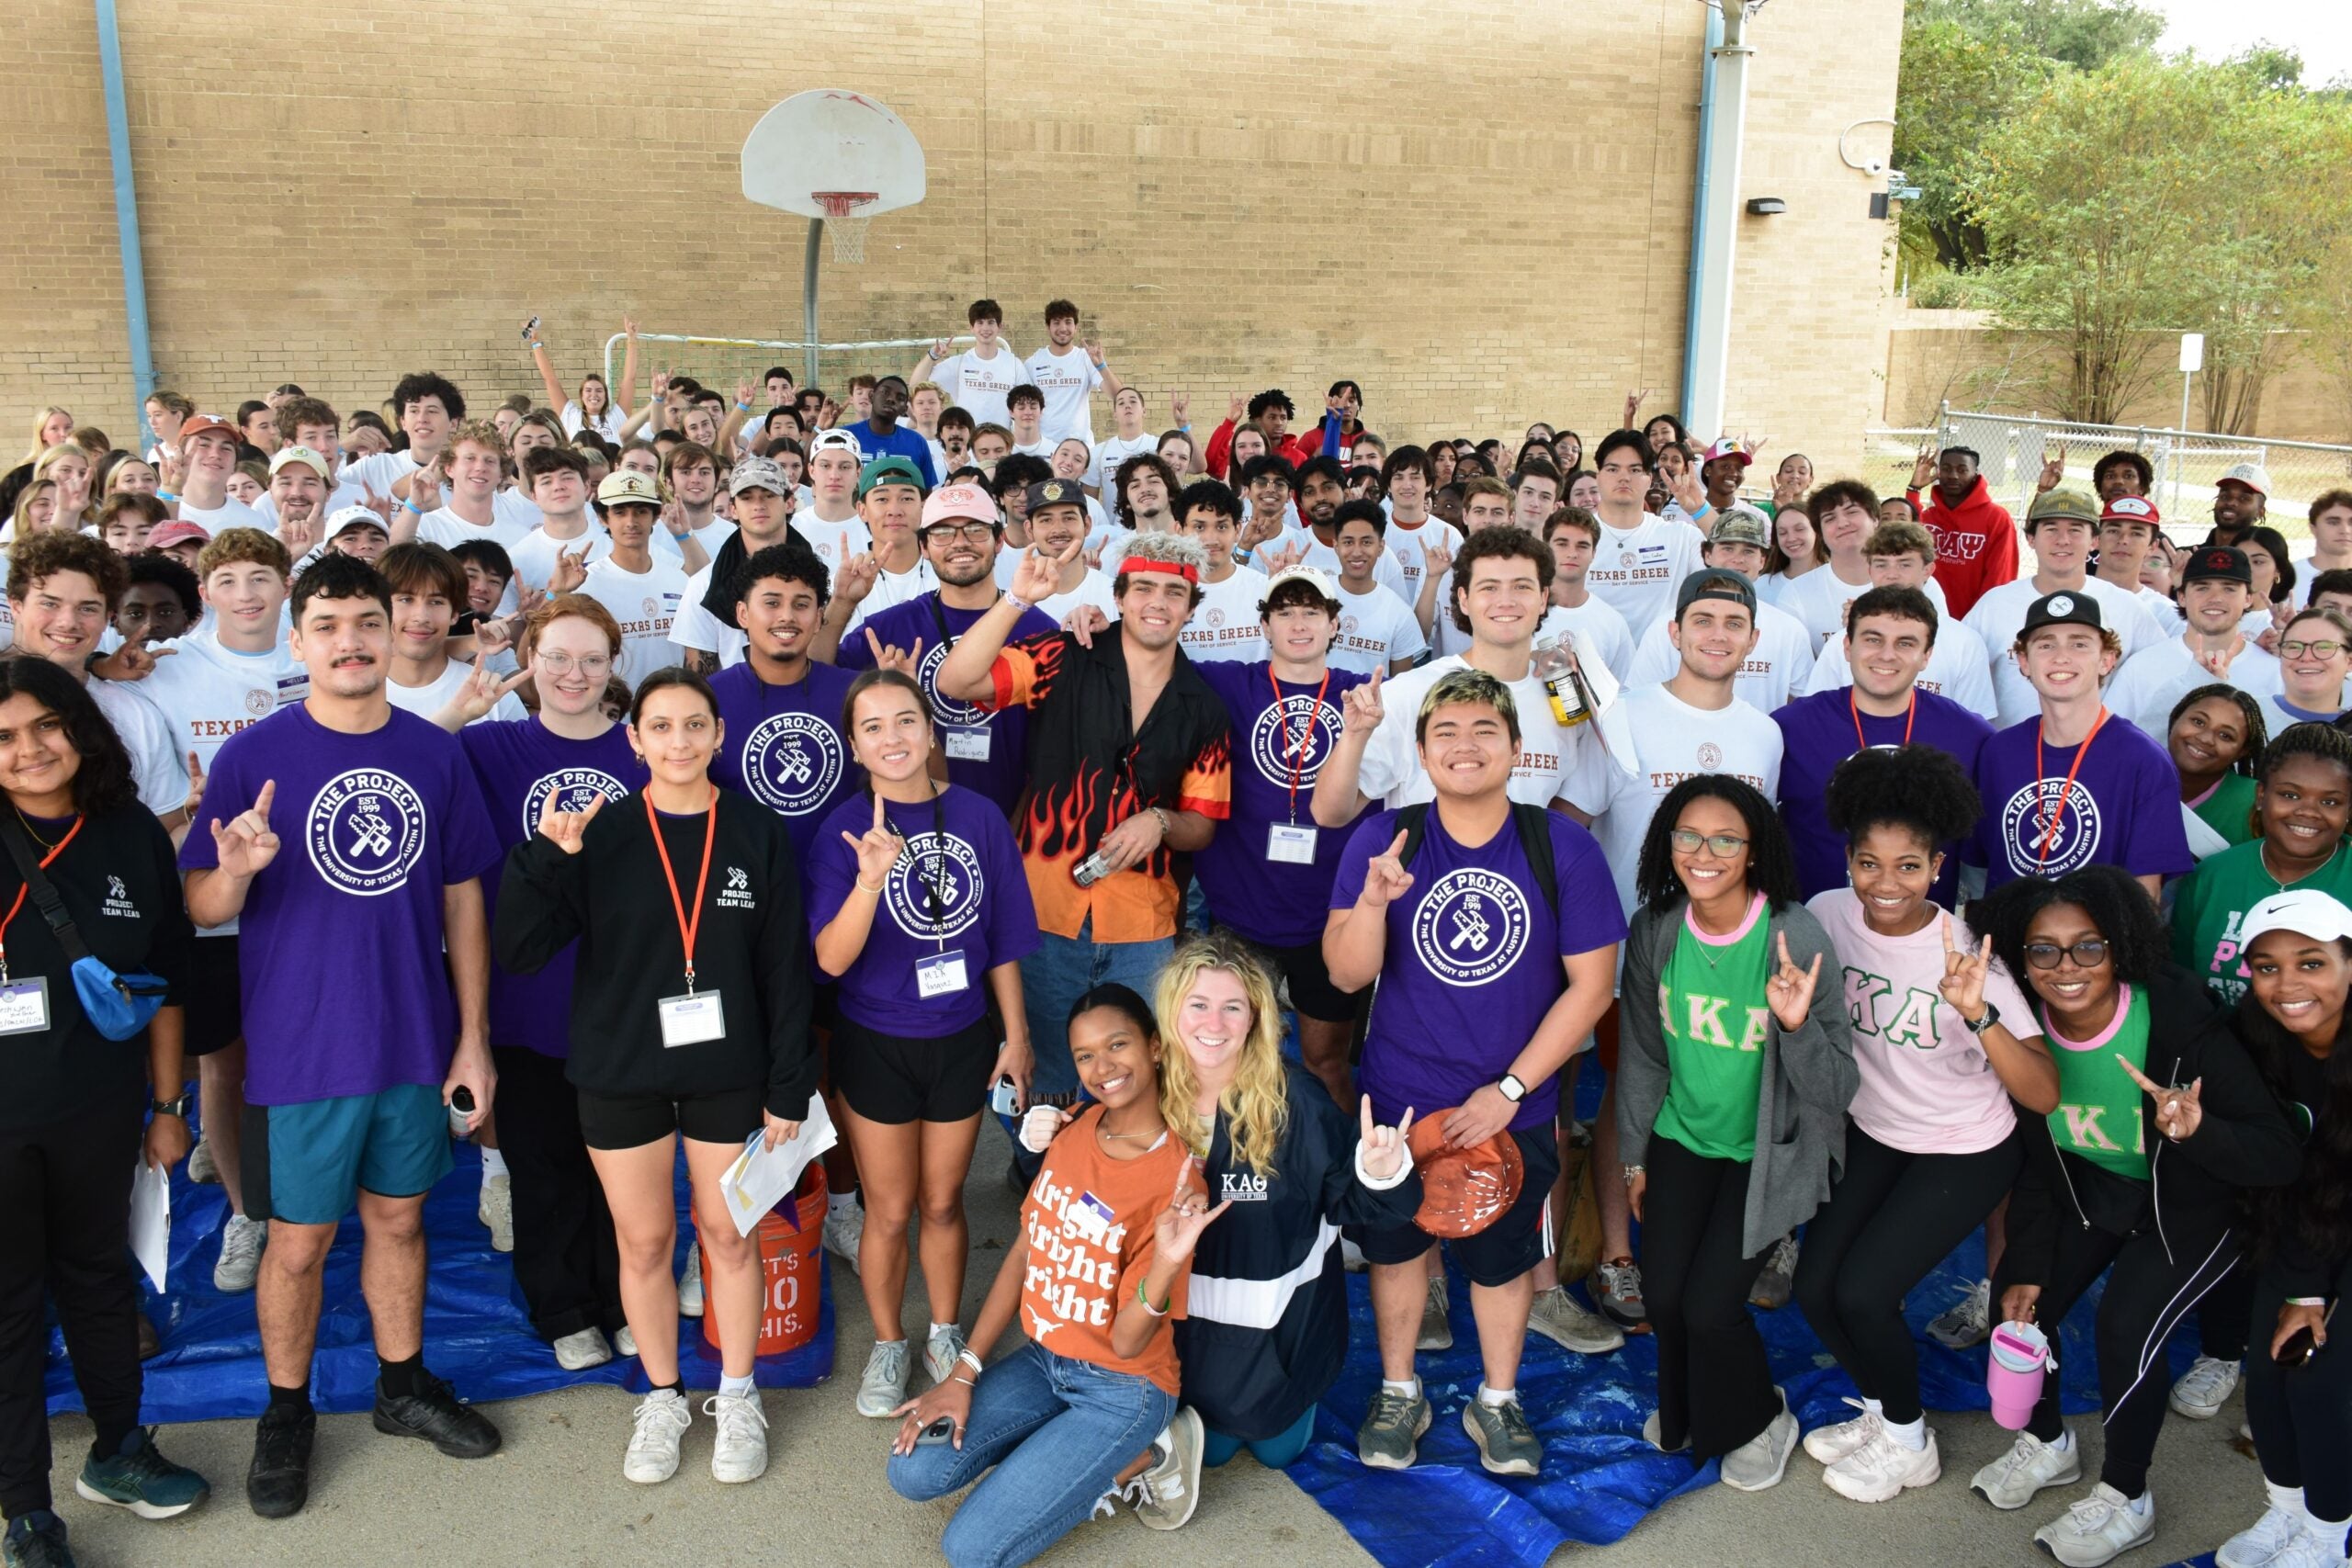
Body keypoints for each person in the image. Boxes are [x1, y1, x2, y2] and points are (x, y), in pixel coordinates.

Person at [180, 554, 503, 1518]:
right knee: (298, 1240)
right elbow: (200, 902)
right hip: (303, 1048)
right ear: (298, 639)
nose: (352, 640)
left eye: (367, 621)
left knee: (400, 1220)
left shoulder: (435, 753)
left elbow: (464, 903)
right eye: (328, 625)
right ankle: (286, 1412)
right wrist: (235, 870)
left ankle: (402, 1387)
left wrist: (472, 1038)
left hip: (412, 1037)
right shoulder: (253, 757)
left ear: (395, 632)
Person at [493, 666, 815, 1487]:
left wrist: (788, 1086)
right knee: (643, 1241)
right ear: (633, 739)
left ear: (718, 734)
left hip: (728, 1068)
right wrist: (546, 858)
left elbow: (783, 968)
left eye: (694, 725)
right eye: (660, 727)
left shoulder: (756, 827)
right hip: (621, 1065)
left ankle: (737, 1395)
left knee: (728, 1236)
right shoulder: (599, 833)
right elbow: (521, 950)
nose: (679, 742)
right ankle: (664, 1397)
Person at [1326, 668, 1625, 1476]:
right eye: (1446, 733)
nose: (1466, 746)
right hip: (1397, 1105)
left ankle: (1497, 1397)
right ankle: (1399, 1388)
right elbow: (1348, 975)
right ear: (1421, 752)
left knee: (1502, 1262)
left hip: (1512, 1106)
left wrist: (1512, 1091)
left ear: (1516, 748)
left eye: (1484, 731)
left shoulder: (1558, 844)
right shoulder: (1384, 840)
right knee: (1395, 1252)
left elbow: (1593, 987)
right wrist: (1375, 903)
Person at [1967, 865, 2298, 1566]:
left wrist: (2198, 1130)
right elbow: (2039, 1162)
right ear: (2020, 959)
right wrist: (2025, 1263)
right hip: (2103, 1194)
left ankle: (2127, 1496)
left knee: (2126, 1328)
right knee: (2018, 1304)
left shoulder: (2179, 1019)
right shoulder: (2025, 1030)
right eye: (2042, 949)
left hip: (2196, 1204)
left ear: (2120, 947)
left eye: (2088, 946)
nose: (2065, 966)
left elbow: (2277, 1154)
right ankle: (2051, 1443)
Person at [1032, 931, 1419, 1527]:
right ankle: (1180, 1419)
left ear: (1255, 1019)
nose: (1214, 1022)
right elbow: (1084, 1187)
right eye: (1198, 1005)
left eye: (1232, 1006)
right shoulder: (1137, 1097)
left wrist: (1381, 1169)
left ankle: (1263, 1411)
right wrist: (1056, 1132)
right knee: (1209, 1449)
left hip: (1278, 1347)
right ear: (1171, 1013)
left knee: (1275, 1446)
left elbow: (1364, 1209)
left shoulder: (1299, 1103)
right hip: (1179, 1347)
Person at [1792, 746, 2056, 1502]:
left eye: (1907, 866)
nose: (1885, 884)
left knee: (1867, 1291)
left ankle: (1910, 1441)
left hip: (1964, 1145)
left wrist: (1978, 1012)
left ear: (1938, 867)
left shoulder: (1969, 954)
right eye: (1869, 863)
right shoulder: (1825, 913)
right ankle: (1881, 1409)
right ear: (1847, 859)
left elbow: (2040, 1092)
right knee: (1816, 1288)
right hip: (1876, 1128)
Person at [885, 984, 1221, 1567]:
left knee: (970, 1550)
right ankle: (1065, 1456)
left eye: (1118, 1045)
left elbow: (1125, 1341)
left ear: (1156, 1047)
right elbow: (1024, 1253)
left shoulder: (1177, 1179)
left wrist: (1167, 1263)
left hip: (1123, 1390)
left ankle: (1146, 1454)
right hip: (1047, 1359)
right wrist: (963, 1373)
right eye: (1086, 1055)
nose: (1102, 1067)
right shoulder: (1076, 1128)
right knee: (911, 1472)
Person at [0, 658, 209, 1565]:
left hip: (98, 1108)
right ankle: (23, 1511)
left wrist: (167, 1106)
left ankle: (119, 1450)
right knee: (8, 1310)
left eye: (46, 725)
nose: (29, 750)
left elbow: (165, 986)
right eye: (4, 737)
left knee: (97, 1281)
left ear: (81, 726)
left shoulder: (128, 835)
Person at [936, 531, 1232, 1109]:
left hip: (1143, 926)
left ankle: (1106, 1182)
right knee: (1040, 1071)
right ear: (1120, 596)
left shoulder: (1204, 706)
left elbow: (1203, 824)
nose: (1157, 602)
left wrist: (1161, 822)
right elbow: (956, 681)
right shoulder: (1064, 653)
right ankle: (1038, 1180)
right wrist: (1017, 600)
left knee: (1133, 1077)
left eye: (1175, 592)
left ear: (1192, 609)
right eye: (1143, 587)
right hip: (1044, 908)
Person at [810, 669, 1039, 1417]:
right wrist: (870, 880)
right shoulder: (844, 829)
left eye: (906, 721)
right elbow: (831, 959)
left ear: (930, 730)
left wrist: (1017, 1035)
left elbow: (1003, 938)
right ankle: (888, 1340)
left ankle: (944, 1328)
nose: (893, 738)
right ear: (854, 745)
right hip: (877, 1040)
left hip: (961, 1037)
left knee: (943, 1201)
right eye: (873, 726)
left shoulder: (977, 816)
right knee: (890, 1207)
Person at [1617, 774, 1856, 1488]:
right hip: (1682, 1138)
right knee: (1662, 1298)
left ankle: (1762, 1416)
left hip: (1765, 1154)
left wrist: (1794, 1024)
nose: (1704, 851)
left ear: (1753, 851)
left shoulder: (1795, 932)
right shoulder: (1657, 926)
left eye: (1726, 838)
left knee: (1710, 1307)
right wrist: (1634, 1158)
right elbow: (1642, 1052)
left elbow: (1838, 1087)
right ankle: (1690, 1405)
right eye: (1688, 835)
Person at [439, 596, 641, 1371]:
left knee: (619, 1166)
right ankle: (561, 1305)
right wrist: (458, 711)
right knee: (543, 1161)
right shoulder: (493, 749)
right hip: (527, 993)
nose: (573, 673)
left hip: (620, 998)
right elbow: (408, 757)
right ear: (529, 657)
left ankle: (626, 1297)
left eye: (592, 658)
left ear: (614, 665)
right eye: (556, 656)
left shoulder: (639, 750)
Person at [1191, 567, 1373, 1107]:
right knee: (1233, 1059)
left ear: (1334, 624)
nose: (1299, 623)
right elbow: (1143, 659)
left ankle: (1341, 1179)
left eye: (1312, 611)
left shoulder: (1360, 698)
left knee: (1325, 1063)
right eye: (1285, 612)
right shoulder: (1227, 681)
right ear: (1265, 624)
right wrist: (1088, 618)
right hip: (1243, 911)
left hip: (1330, 917)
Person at [2220, 889, 2352, 1568]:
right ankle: (2288, 1514)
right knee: (2272, 1370)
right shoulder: (2257, 1036)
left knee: (2324, 1381)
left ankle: (2331, 1542)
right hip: (2304, 1219)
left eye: (2311, 962)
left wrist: (2312, 1290)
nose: (2287, 984)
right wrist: (2300, 1282)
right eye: (2267, 967)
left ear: (2349, 964)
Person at [1773, 587, 1995, 903]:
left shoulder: (1970, 735)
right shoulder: (1790, 728)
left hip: (1921, 937)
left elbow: (1980, 856)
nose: (1887, 655)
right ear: (1847, 646)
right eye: (1873, 639)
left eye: (1905, 643)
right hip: (1815, 934)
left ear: (1927, 655)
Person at [1589, 569, 1785, 920]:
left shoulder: (1766, 733)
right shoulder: (1620, 715)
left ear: (1753, 640)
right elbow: (1569, 828)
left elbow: (1756, 845)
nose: (1718, 635)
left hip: (1722, 955)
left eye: (1734, 624)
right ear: (1675, 633)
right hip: (1627, 949)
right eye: (1703, 620)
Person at [1969, 592, 2190, 898]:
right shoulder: (1998, 752)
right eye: (2046, 645)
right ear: (2024, 662)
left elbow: (2146, 894)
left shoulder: (2144, 760)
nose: (2061, 657)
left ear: (2107, 660)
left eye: (2079, 644)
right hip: (2007, 939)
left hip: (2096, 944)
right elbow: (1981, 869)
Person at [2174, 723, 2352, 1010]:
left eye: (2330, 801)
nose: (2307, 811)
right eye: (2290, 795)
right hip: (2219, 1049)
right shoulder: (2212, 876)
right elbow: (2181, 983)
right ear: (2260, 796)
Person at [1964, 491, 2165, 728]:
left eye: (2075, 530)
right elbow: (1961, 668)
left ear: (2094, 541)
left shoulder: (2127, 606)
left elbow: (2160, 673)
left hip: (2095, 749)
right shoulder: (1994, 604)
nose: (2063, 540)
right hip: (2008, 747)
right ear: (2030, 539)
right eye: (2050, 529)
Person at [1797, 520, 2000, 720]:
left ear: (1928, 571)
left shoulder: (1964, 642)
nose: (1892, 575)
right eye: (1881, 564)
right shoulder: (1842, 641)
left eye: (1904, 564)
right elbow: (1817, 714)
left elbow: (1973, 722)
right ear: (1870, 571)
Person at [1624, 510, 1816, 709]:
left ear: (1762, 561)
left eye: (1749, 551)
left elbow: (1805, 703)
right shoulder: (1665, 626)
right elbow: (1639, 697)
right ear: (1707, 555)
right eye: (1727, 548)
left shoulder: (1789, 630)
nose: (1738, 559)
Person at [2104, 545, 2279, 742]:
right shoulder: (2142, 665)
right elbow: (2109, 739)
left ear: (2248, 599)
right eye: (2202, 587)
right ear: (2181, 597)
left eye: (2229, 588)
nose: (2215, 598)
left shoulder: (2275, 671)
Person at [1778, 481, 1951, 657]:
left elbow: (1940, 653)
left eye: (1852, 512)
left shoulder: (1921, 584)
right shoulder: (1796, 593)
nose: (1842, 523)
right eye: (1829, 518)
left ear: (1876, 520)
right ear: (1820, 532)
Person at [575, 469, 692, 689]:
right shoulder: (586, 583)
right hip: (611, 713)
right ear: (603, 518)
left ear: (655, 517)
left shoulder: (679, 579)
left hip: (671, 708)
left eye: (640, 512)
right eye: (620, 512)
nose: (631, 521)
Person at [1583, 430, 1703, 641]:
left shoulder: (1679, 537)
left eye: (1635, 470)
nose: (1624, 477)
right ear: (1598, 477)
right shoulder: (1572, 537)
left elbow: (1733, 560)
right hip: (1589, 666)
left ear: (1649, 479)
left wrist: (1700, 509)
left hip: (1662, 669)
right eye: (1613, 469)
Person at [1164, 479, 1271, 666]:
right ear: (1179, 530)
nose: (1211, 539)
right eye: (1199, 527)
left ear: (1237, 530)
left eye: (1222, 527)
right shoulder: (1163, 593)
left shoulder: (1266, 589)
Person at [1907, 445, 2018, 619]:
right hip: (1924, 618)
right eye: (1946, 469)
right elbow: (1903, 532)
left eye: (1962, 470)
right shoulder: (1929, 517)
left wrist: (1980, 618)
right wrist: (1914, 489)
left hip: (1974, 620)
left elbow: (1999, 576)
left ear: (1975, 475)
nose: (1953, 475)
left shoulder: (1996, 518)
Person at [2169, 684, 2268, 851]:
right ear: (2176, 718)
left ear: (2242, 751)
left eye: (2225, 735)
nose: (2206, 739)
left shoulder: (2255, 803)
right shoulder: (2130, 772)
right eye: (2198, 722)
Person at [912, 300, 1024, 431]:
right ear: (972, 328)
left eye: (991, 322)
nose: (985, 328)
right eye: (980, 322)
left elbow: (1026, 404)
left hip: (1001, 445)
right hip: (966, 444)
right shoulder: (959, 364)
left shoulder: (1014, 364)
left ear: (1000, 326)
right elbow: (916, 383)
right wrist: (932, 355)